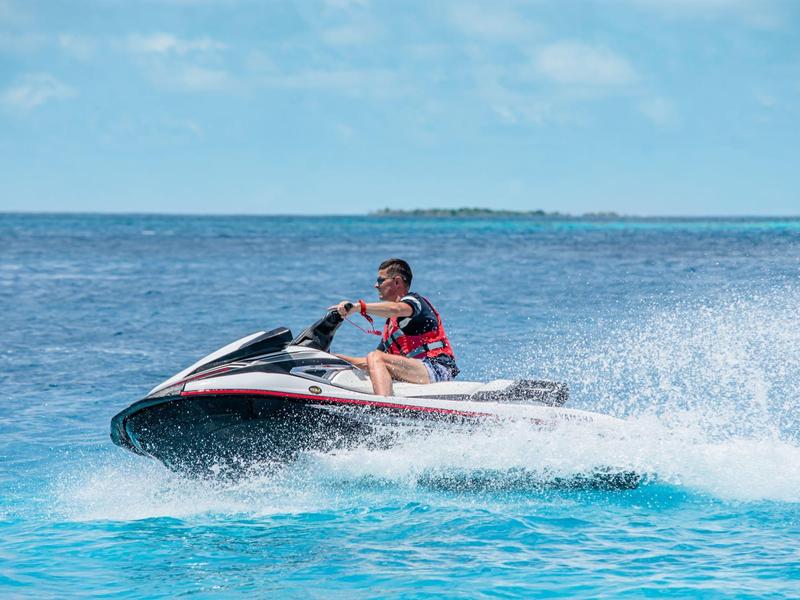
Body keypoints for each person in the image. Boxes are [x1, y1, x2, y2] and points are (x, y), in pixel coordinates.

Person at [332, 258, 459, 396]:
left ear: (397, 281)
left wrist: (358, 307)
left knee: (376, 357)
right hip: (419, 371)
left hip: (438, 369)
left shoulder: (414, 302)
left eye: (380, 280)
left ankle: (382, 409)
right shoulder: (392, 327)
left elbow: (396, 309)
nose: (376, 285)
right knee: (374, 358)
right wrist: (334, 358)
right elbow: (369, 362)